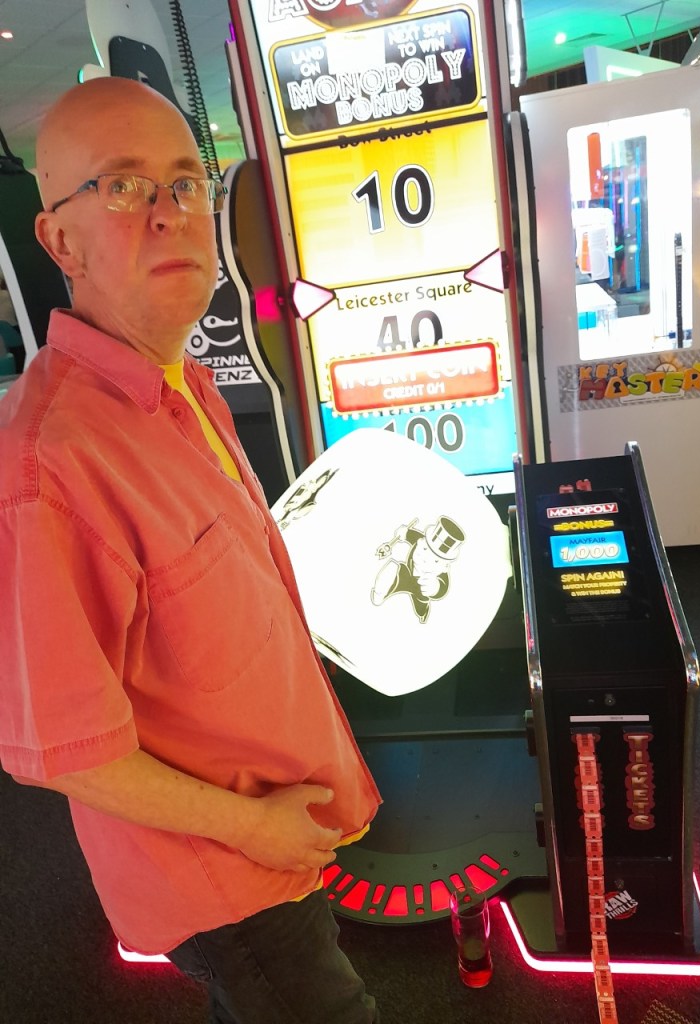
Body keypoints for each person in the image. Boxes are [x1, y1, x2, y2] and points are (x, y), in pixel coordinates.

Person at [0, 77, 381, 1024]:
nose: (169, 212)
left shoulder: (185, 381)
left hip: (279, 831)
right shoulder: (49, 464)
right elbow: (63, 752)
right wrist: (255, 828)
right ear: (59, 241)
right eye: (123, 186)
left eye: (184, 182)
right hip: (229, 881)